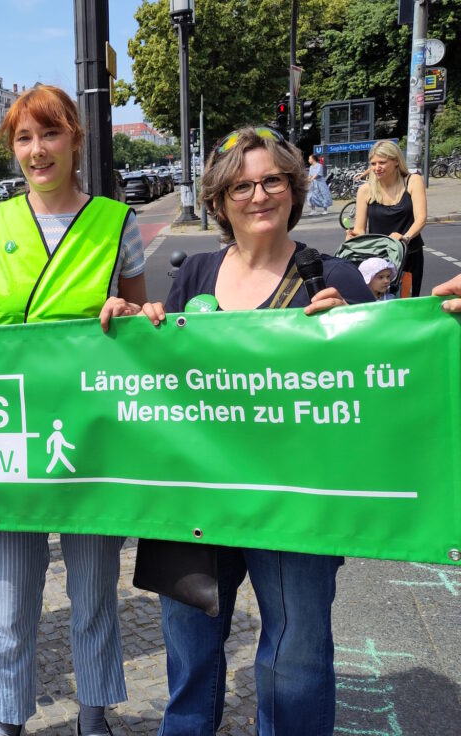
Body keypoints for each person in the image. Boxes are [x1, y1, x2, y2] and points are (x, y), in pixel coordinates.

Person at [140, 127, 372, 736]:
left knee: (292, 662)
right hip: (196, 502)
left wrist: (367, 335)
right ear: (217, 202)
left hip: (292, 505)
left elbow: (380, 390)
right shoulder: (192, 276)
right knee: (188, 654)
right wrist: (135, 329)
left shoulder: (334, 279)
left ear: (294, 188)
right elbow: (158, 380)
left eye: (272, 180)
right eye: (241, 185)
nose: (259, 194)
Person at [0, 84, 147, 736]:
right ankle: (6, 717)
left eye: (49, 134)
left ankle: (93, 711)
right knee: (5, 601)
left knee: (91, 594)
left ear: (75, 139)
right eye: (24, 138)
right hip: (8, 434)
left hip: (89, 439)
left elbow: (140, 318)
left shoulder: (116, 223)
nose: (37, 150)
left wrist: (130, 313)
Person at [348, 140, 427, 296]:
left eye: (382, 162)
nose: (377, 168)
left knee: (406, 302)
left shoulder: (413, 181)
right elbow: (360, 228)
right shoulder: (365, 190)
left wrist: (405, 237)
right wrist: (354, 237)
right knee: (379, 305)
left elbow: (421, 219)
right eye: (373, 163)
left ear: (396, 161)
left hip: (408, 257)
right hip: (378, 261)